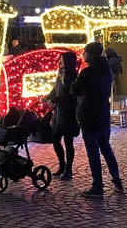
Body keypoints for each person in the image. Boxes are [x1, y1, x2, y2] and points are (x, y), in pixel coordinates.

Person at [71, 41, 123, 197]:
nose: (83, 55)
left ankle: (97, 186)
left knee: (93, 151)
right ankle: (116, 179)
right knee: (106, 148)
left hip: (89, 115)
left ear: (90, 54)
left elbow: (75, 89)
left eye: (85, 52)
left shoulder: (88, 72)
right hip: (103, 114)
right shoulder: (106, 70)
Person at [41, 50, 79, 179]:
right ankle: (62, 165)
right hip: (58, 113)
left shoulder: (72, 77)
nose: (59, 63)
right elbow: (55, 90)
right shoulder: (60, 75)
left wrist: (55, 100)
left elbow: (71, 96)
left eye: (61, 60)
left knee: (68, 141)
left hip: (68, 113)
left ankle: (68, 169)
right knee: (55, 139)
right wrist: (47, 98)